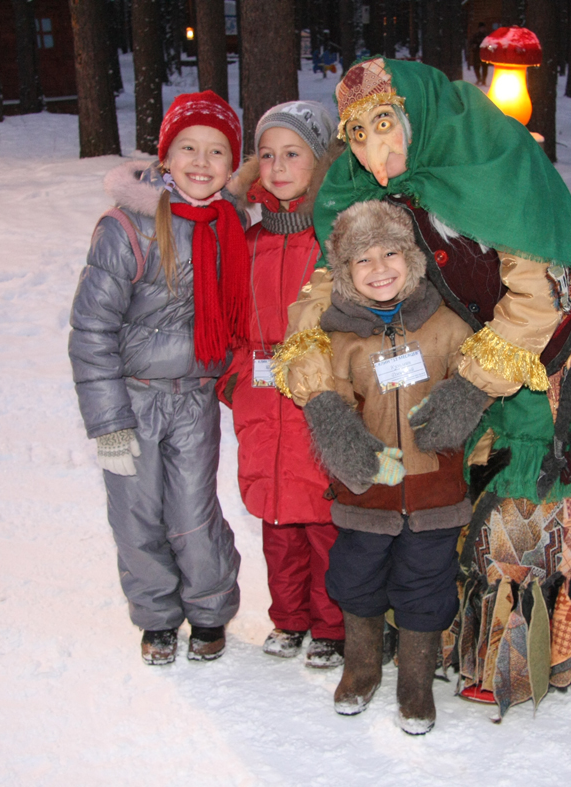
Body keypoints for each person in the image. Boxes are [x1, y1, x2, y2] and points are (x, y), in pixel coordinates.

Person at [274, 58, 571, 718]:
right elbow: (324, 296)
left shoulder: (488, 156)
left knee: (532, 483)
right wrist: (323, 400)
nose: (373, 152)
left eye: (385, 124)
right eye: (355, 134)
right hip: (468, 339)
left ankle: (534, 650)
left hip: (564, 336)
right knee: (455, 482)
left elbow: (543, 291)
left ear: (416, 116)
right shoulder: (363, 189)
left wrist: (468, 390)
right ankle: (439, 639)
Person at [68, 91, 248, 666]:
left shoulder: (230, 225)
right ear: (166, 157)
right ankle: (157, 616)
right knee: (136, 513)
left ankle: (211, 609)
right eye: (188, 148)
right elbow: (91, 330)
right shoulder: (129, 229)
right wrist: (108, 423)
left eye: (217, 151)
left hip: (195, 400)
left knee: (194, 512)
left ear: (231, 164)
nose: (202, 161)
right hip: (134, 399)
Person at [301, 199, 473, 736]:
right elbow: (329, 396)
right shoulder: (340, 336)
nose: (380, 270)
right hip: (367, 492)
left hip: (433, 490)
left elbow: (478, 378)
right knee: (357, 578)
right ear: (345, 273)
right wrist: (352, 452)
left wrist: (462, 404)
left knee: (427, 583)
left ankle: (416, 680)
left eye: (391, 253)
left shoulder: (447, 324)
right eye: (363, 260)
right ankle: (361, 667)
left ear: (413, 257)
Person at [220, 101, 346, 668]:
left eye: (292, 153)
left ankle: (331, 625)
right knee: (275, 519)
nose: (277, 166)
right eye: (266, 155)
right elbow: (224, 321)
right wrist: (234, 382)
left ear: (320, 161)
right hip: (261, 401)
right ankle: (289, 618)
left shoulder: (334, 238)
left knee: (323, 521)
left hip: (317, 401)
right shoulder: (246, 241)